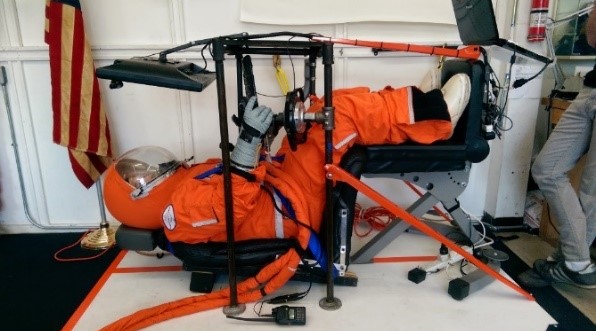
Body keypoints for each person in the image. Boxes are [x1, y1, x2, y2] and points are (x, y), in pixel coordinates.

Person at [103, 73, 471, 247]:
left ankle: (413, 108)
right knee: (336, 116)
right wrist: (247, 144)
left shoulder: (181, 187)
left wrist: (259, 142)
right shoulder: (176, 213)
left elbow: (238, 183)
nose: (150, 170)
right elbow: (230, 207)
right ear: (140, 198)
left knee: (316, 108)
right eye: (139, 176)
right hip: (291, 207)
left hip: (280, 188)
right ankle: (434, 115)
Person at [521, 2, 596, 289]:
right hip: (590, 89)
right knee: (546, 168)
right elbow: (592, 38)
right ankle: (577, 263)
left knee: (591, 192)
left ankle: (573, 261)